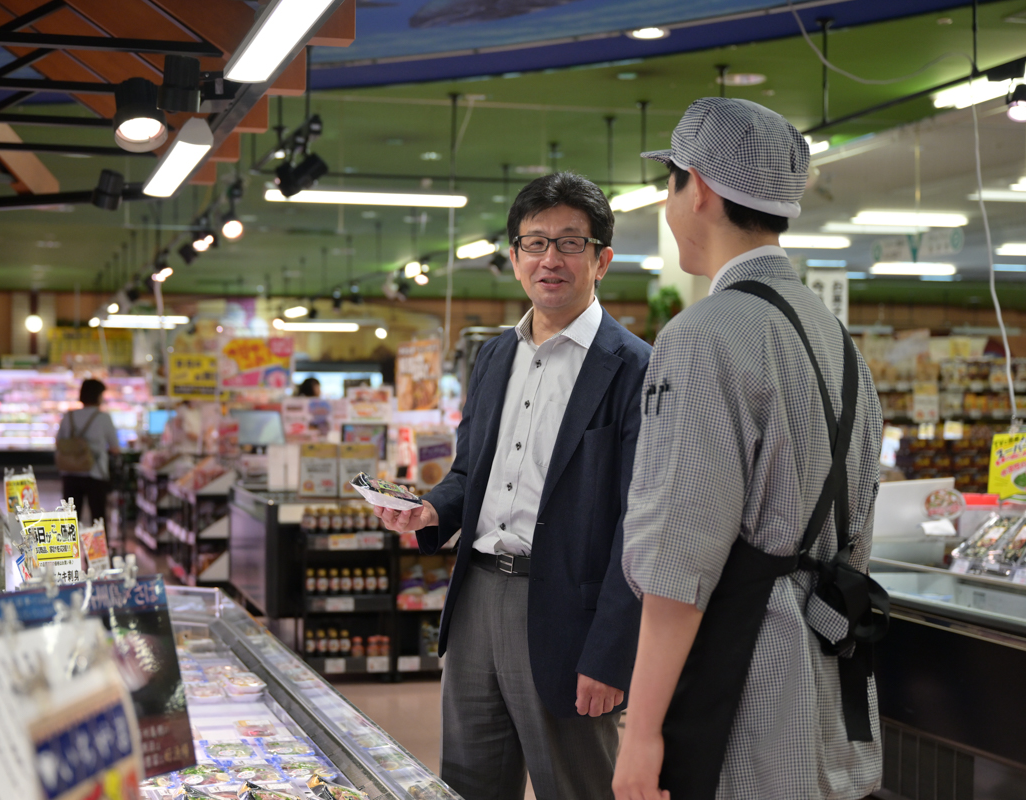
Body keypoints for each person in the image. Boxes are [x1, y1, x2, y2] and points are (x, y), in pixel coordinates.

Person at [612, 98, 883, 800]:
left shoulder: (703, 335)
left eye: (669, 184)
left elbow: (678, 560)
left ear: (695, 188)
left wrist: (640, 732)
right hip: (824, 679)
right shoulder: (836, 340)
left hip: (737, 689)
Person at [375, 172, 651, 799]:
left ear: (602, 259)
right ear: (515, 258)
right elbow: (471, 472)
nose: (550, 259)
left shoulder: (636, 368)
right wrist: (430, 513)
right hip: (476, 601)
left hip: (566, 610)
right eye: (534, 243)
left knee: (575, 784)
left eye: (570, 243)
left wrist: (610, 653)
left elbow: (640, 526)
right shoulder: (496, 355)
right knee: (469, 779)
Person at [57, 378, 120, 524]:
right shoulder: (103, 417)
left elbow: (58, 442)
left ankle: (70, 547)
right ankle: (98, 547)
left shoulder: (69, 416)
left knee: (70, 520)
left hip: (70, 472)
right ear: (99, 396)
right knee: (98, 518)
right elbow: (115, 448)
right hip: (95, 473)